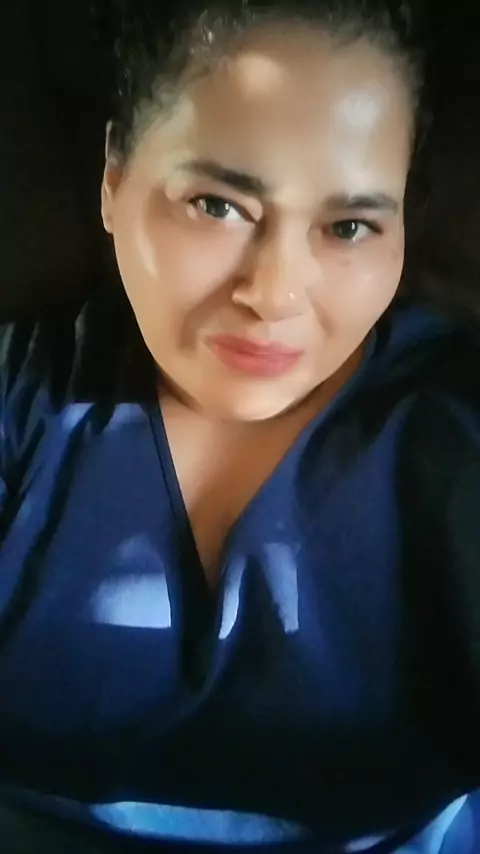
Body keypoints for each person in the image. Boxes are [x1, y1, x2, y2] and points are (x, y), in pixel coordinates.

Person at [1, 0, 480, 851]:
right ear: (114, 179)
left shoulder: (449, 426)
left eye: (350, 227)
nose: (274, 293)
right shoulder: (23, 396)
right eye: (217, 205)